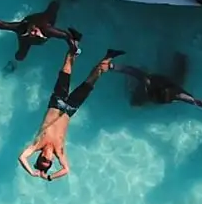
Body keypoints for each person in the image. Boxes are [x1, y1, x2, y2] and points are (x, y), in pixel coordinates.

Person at [19, 44, 125, 181]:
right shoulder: (59, 151)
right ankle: (108, 56)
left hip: (56, 103)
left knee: (66, 71)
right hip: (70, 109)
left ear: (40, 156)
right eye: (49, 160)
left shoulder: (37, 145)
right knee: (92, 80)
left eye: (44, 158)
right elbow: (66, 170)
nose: (48, 156)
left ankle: (74, 46)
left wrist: (32, 172)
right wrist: (49, 177)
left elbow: (22, 157)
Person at [110, 52, 202, 110]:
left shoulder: (175, 93)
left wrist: (112, 66)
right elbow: (196, 102)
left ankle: (180, 58)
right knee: (135, 102)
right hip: (155, 86)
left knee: (135, 101)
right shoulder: (150, 82)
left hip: (158, 87)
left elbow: (131, 70)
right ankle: (180, 58)